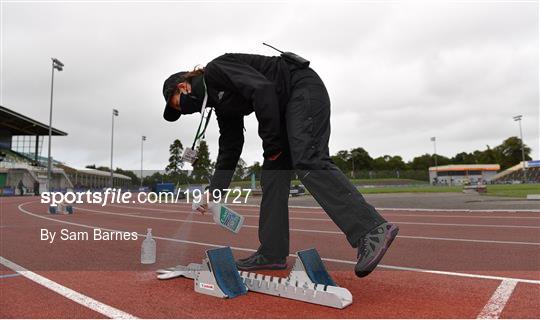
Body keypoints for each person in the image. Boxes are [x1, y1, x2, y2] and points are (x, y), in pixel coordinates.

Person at [162, 53, 399, 278]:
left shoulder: (217, 70)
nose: (182, 111)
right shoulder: (220, 104)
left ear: (183, 86)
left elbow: (262, 89)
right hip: (282, 108)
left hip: (301, 88)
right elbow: (230, 146)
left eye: (176, 105)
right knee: (273, 176)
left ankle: (371, 229)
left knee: (307, 158)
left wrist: (273, 145)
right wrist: (214, 191)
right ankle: (271, 253)